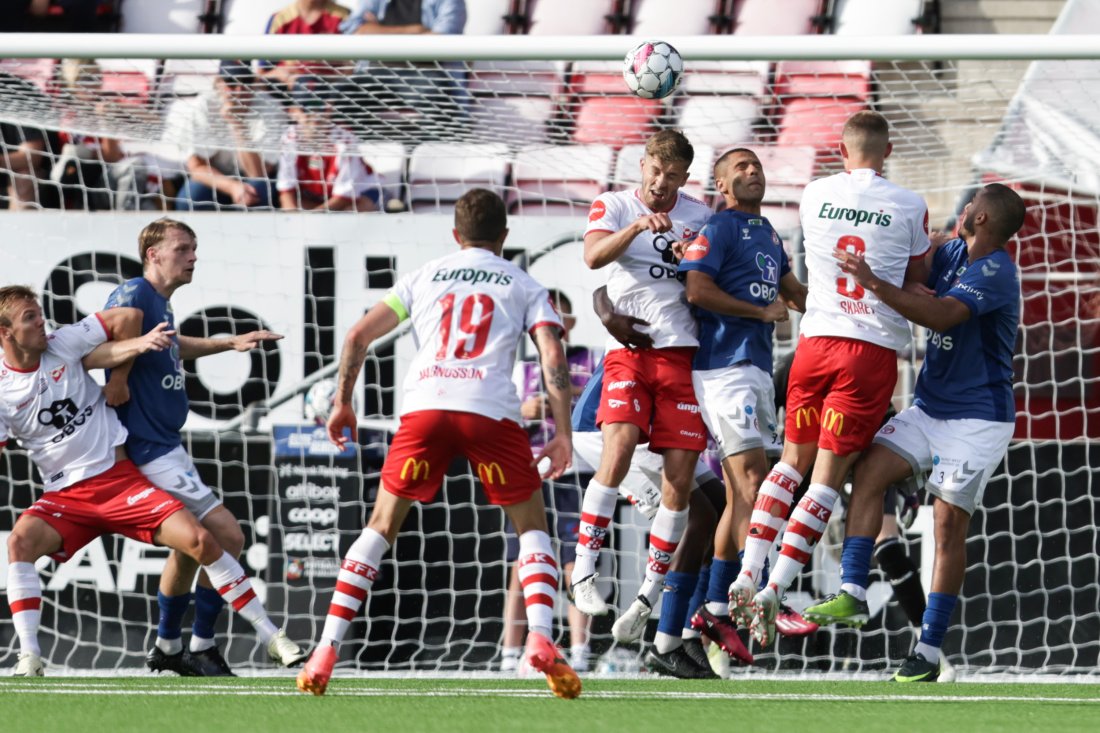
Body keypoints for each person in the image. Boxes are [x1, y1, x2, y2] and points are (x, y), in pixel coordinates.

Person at [296, 188, 581, 699]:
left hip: (426, 407)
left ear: (456, 234)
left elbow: (358, 336)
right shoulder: (523, 282)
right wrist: (561, 432)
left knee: (381, 526)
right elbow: (551, 356)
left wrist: (342, 401)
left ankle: (325, 648)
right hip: (490, 411)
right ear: (504, 237)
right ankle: (540, 637)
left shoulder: (423, 275)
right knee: (533, 528)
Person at [0, 285, 306, 677]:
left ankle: (271, 637)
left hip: (118, 480)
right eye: (30, 318)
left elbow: (129, 319)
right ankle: (30, 657)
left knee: (201, 540)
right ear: (6, 332)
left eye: (39, 313)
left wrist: (120, 376)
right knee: (19, 542)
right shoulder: (6, 392)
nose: (42, 321)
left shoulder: (65, 341)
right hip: (66, 496)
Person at [802, 183, 1025, 682]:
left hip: (977, 420)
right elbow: (914, 270)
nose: (962, 211)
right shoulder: (950, 253)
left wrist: (874, 282)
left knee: (947, 526)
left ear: (983, 218)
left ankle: (927, 651)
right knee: (869, 470)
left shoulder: (997, 273)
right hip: (930, 408)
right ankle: (854, 592)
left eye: (971, 207)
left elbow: (939, 313)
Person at [728, 111, 932, 647]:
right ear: (887, 153)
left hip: (813, 345)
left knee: (790, 464)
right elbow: (918, 281)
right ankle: (776, 586)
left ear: (842, 151)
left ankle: (748, 572)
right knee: (824, 480)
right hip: (869, 351)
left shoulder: (814, 194)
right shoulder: (909, 204)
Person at [101, 218, 286, 676]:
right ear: (153, 254)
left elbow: (168, 348)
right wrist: (118, 381)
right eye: (183, 248)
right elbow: (114, 343)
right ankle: (203, 644)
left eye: (194, 248)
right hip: (148, 449)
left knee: (188, 548)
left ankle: (168, 644)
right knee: (228, 536)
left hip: (165, 442)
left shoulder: (159, 302)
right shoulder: (132, 295)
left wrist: (228, 343)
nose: (193, 256)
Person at [569, 130, 713, 648]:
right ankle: (584, 571)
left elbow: (707, 281)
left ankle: (647, 596)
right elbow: (592, 259)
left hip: (682, 355)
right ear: (642, 163)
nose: (660, 182)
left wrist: (689, 255)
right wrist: (635, 227)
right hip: (631, 352)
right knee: (620, 445)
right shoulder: (613, 203)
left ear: (685, 178)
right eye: (655, 171)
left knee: (679, 482)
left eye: (672, 176)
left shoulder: (701, 216)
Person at [678, 147, 810, 639]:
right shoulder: (719, 227)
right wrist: (759, 313)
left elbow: (793, 293)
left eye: (756, 165)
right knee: (756, 481)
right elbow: (695, 289)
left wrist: (844, 316)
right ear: (723, 185)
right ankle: (761, 591)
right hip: (722, 367)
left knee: (739, 495)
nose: (753, 172)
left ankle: (714, 607)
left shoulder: (770, 234)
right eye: (741, 168)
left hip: (753, 365)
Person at [500, 289, 598, 674]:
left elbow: (600, 405)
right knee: (521, 563)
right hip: (531, 471)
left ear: (571, 324)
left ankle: (579, 652)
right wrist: (523, 410)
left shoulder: (590, 359)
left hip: (576, 470)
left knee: (577, 563)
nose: (556, 326)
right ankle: (510, 653)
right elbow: (501, 412)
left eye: (563, 318)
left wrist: (565, 396)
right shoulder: (519, 366)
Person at [168, 60, 286, 211]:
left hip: (254, 180)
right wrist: (232, 187)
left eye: (246, 82)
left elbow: (258, 173)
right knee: (191, 197)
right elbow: (197, 167)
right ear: (218, 82)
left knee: (257, 190)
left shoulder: (271, 108)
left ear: (255, 82)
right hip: (218, 179)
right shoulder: (204, 106)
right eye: (231, 82)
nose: (239, 90)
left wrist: (237, 125)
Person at [276, 76, 381, 212]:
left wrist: (312, 219)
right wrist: (292, 219)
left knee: (353, 211)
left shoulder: (345, 140)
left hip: (360, 192)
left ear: (329, 108)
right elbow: (286, 190)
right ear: (293, 112)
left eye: (318, 106)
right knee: (295, 208)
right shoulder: (289, 139)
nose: (314, 115)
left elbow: (344, 196)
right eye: (306, 108)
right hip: (317, 196)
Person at [257, 0, 351, 88]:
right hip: (287, 97)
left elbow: (352, 69)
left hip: (333, 94)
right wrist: (284, 75)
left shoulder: (345, 17)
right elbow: (262, 75)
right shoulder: (279, 19)